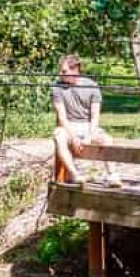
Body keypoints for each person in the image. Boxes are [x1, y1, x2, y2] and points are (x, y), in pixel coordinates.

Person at [52, 54, 120, 187]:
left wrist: (90, 135)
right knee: (59, 136)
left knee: (107, 140)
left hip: (88, 124)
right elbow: (62, 117)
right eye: (60, 71)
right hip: (69, 125)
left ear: (75, 70)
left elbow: (95, 115)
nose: (61, 74)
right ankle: (75, 174)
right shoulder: (56, 88)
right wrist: (73, 137)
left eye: (64, 71)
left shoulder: (91, 86)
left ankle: (112, 175)